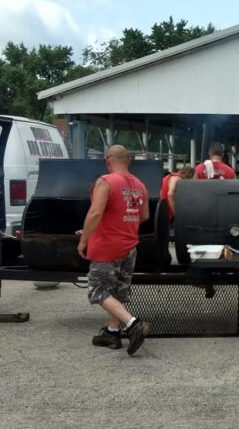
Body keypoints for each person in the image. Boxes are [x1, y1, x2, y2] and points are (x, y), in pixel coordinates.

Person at [77, 145, 151, 356]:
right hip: (129, 246)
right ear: (128, 160)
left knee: (97, 290)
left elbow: (95, 213)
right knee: (118, 292)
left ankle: (133, 324)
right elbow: (143, 215)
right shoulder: (140, 185)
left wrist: (84, 239)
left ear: (108, 160)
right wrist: (119, 220)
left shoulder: (106, 181)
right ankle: (111, 333)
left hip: (107, 246)